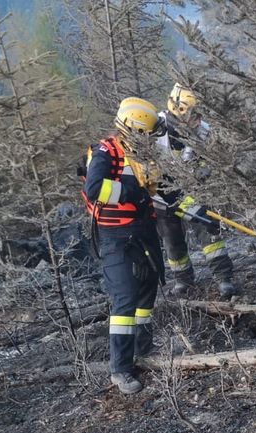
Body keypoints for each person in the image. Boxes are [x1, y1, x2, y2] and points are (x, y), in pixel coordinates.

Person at [82, 97, 165, 394]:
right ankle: (120, 368)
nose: (154, 138)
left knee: (147, 292)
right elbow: (94, 189)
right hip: (116, 236)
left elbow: (162, 191)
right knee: (125, 299)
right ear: (135, 129)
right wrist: (130, 191)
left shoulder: (144, 154)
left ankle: (145, 349)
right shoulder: (106, 152)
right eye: (150, 132)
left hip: (143, 231)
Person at [154, 84, 237, 299]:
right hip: (161, 192)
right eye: (194, 114)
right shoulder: (155, 128)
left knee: (207, 228)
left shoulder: (203, 131)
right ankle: (182, 280)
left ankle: (223, 277)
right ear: (180, 110)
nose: (199, 119)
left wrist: (201, 174)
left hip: (191, 190)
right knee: (172, 238)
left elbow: (211, 160)